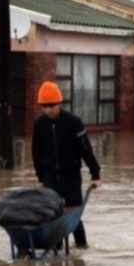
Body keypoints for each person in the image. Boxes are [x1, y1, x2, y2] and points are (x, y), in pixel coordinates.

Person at [31, 81, 101, 248]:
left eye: (51, 106)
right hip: (50, 177)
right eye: (44, 106)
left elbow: (86, 149)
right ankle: (57, 249)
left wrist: (95, 174)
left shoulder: (73, 122)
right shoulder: (39, 124)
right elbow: (36, 152)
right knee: (53, 216)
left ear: (59, 103)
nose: (48, 110)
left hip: (71, 177)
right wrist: (40, 177)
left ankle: (81, 248)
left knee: (73, 215)